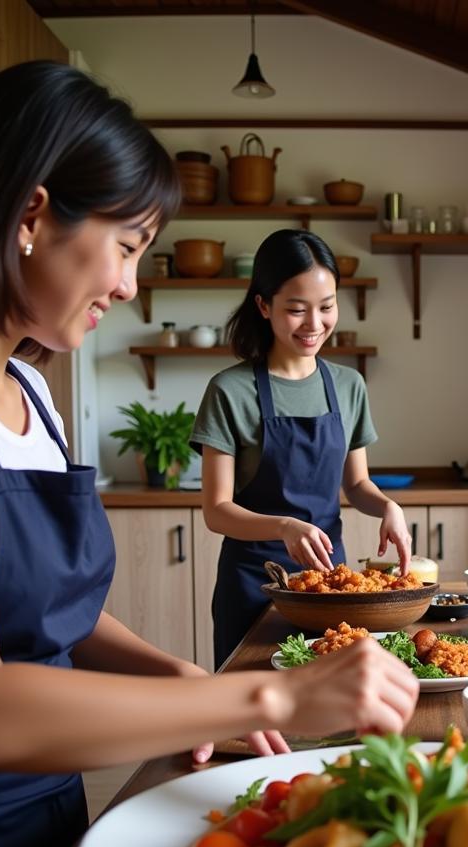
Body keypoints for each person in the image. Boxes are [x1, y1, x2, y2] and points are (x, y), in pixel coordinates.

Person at [0, 62, 418, 847]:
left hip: (46, 821)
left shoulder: (31, 399)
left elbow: (66, 614)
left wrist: (185, 685)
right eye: (127, 246)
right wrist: (269, 689)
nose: (131, 283)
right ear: (32, 216)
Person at [192, 229, 412, 668]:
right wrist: (284, 527)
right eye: (296, 309)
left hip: (331, 589)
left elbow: (358, 483)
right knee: (251, 724)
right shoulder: (229, 391)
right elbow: (216, 510)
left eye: (327, 307)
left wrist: (388, 506)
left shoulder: (349, 386)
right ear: (263, 306)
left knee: (334, 720)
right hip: (253, 585)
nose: (314, 324)